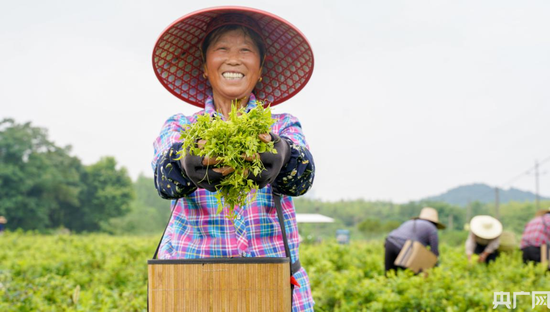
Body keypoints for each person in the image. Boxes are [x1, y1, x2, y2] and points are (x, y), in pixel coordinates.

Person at [151, 7, 316, 311]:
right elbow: (164, 180)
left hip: (271, 285)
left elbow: (302, 176)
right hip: (192, 287)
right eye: (222, 49)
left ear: (261, 67)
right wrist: (186, 162)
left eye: (246, 50)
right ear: (204, 66)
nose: (234, 58)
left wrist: (281, 154)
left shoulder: (281, 126)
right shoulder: (181, 128)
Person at [384, 207, 445, 274]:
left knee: (389, 274)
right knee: (414, 273)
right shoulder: (432, 228)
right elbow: (434, 253)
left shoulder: (410, 222)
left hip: (389, 241)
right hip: (405, 246)